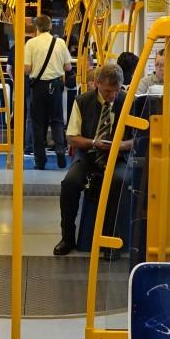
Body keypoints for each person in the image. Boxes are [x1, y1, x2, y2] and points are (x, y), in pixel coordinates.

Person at [54, 61, 131, 256]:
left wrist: (121, 145)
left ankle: (111, 240)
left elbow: (139, 139)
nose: (112, 96)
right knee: (69, 183)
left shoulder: (129, 102)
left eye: (116, 90)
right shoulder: (82, 102)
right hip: (88, 155)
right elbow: (72, 137)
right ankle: (67, 237)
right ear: (97, 83)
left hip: (118, 157)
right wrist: (94, 143)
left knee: (118, 181)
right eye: (107, 91)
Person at [23, 16, 68, 169]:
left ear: (37, 27)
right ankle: (60, 151)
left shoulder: (31, 43)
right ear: (50, 26)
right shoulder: (60, 42)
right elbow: (68, 67)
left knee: (37, 123)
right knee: (57, 120)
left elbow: (27, 69)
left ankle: (40, 160)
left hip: (38, 87)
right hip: (55, 85)